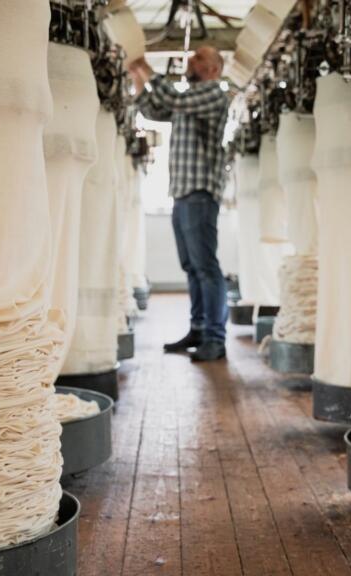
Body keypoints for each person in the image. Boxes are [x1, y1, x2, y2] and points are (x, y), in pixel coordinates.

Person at [128, 46, 230, 362]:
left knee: (205, 267)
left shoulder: (212, 93)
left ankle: (215, 337)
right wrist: (136, 75)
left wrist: (145, 66)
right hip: (184, 193)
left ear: (214, 69)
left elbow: (173, 100)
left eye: (199, 58)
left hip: (200, 192)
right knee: (192, 267)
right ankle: (199, 330)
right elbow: (153, 110)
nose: (191, 62)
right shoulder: (190, 102)